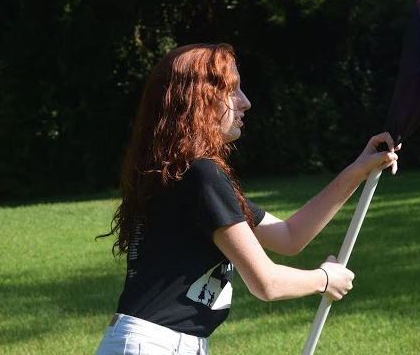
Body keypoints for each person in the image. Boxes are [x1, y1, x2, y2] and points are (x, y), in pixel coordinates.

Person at [93, 43, 400, 355]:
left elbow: (290, 237)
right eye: (232, 90)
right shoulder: (201, 176)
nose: (246, 102)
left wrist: (357, 171)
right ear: (198, 98)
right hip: (155, 346)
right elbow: (265, 282)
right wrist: (324, 279)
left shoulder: (182, 174)